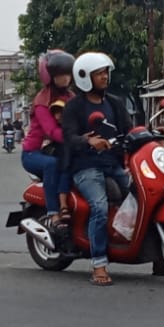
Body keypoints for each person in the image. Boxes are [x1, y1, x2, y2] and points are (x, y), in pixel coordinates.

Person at [60, 51, 134, 287]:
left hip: (113, 163)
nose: (104, 77)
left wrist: (153, 132)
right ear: (85, 77)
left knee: (141, 195)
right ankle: (99, 264)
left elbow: (130, 129)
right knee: (99, 208)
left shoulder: (114, 103)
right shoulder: (74, 107)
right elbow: (68, 136)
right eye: (99, 73)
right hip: (86, 167)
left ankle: (155, 253)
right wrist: (88, 140)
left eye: (105, 72)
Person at [22, 50, 76, 234]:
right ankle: (54, 213)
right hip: (33, 154)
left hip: (59, 149)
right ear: (50, 76)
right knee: (52, 165)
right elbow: (51, 131)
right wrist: (77, 140)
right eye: (61, 74)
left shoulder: (71, 97)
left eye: (68, 74)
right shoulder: (42, 101)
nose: (66, 78)